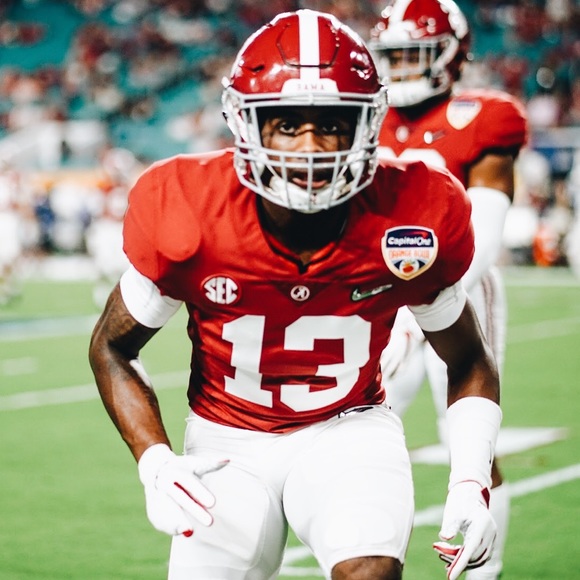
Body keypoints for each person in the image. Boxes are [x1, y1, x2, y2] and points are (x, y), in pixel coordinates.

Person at [89, 9, 502, 580]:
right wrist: (155, 459)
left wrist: (471, 480)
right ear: (246, 126)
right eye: (286, 124)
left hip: (349, 429)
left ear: (366, 125)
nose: (310, 147)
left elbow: (469, 358)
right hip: (224, 439)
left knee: (370, 571)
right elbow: (112, 346)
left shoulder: (412, 212)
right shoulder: (188, 208)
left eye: (332, 123)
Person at [369, 1, 528, 578]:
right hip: (374, 292)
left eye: (415, 55)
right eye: (394, 56)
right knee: (359, 423)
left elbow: (480, 241)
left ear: (451, 56)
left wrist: (417, 315)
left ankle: (485, 569)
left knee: (468, 439)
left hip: (460, 288)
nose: (402, 68)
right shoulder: (367, 114)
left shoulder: (484, 116)